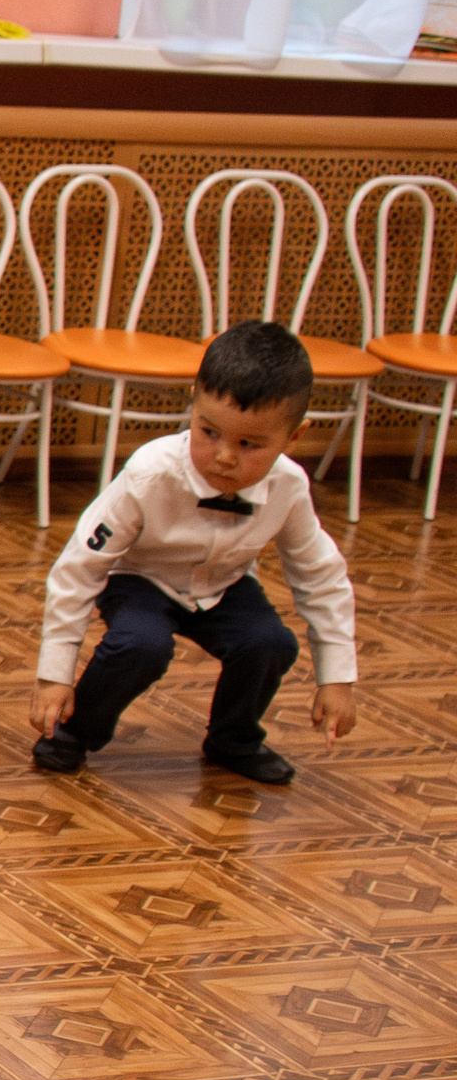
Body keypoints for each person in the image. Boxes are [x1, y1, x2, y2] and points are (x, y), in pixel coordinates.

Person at [32, 321, 357, 783]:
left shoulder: (290, 487)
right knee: (141, 644)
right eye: (209, 432)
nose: (224, 456)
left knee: (270, 643)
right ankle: (74, 733)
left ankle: (233, 739)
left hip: (225, 584)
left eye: (248, 444)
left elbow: (321, 577)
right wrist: (54, 674)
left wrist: (337, 677)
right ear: (193, 403)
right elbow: (79, 569)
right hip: (139, 578)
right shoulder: (150, 473)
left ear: (295, 436)